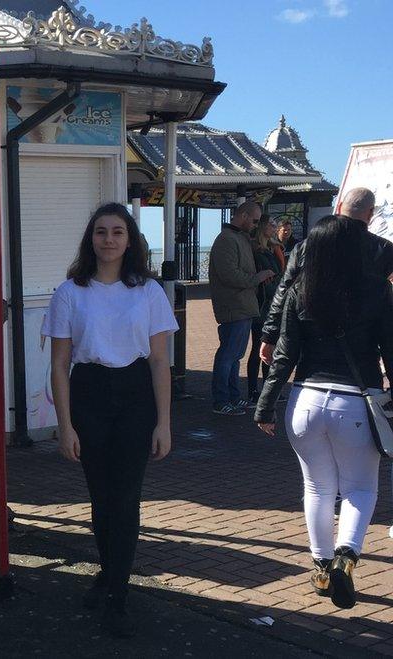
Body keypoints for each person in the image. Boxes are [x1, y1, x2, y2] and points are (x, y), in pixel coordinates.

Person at [44, 202, 177, 638]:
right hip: (90, 395)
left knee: (126, 499)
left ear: (130, 239)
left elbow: (160, 362)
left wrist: (164, 422)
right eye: (101, 231)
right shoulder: (70, 292)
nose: (109, 240)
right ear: (91, 238)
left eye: (117, 232)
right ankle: (108, 572)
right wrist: (64, 425)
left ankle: (117, 595)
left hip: (136, 395)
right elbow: (59, 365)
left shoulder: (149, 291)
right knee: (101, 499)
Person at [254, 215, 393, 609]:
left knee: (316, 488)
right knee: (360, 488)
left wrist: (264, 404)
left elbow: (284, 354)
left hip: (305, 401)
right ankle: (345, 558)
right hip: (356, 401)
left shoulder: (301, 287)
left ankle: (319, 565)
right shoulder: (376, 290)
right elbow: (390, 349)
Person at [261, 188, 393, 366]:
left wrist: (270, 334)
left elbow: (284, 290)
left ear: (338, 207)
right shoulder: (384, 249)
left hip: (314, 338)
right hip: (362, 345)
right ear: (370, 213)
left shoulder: (305, 246)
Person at [208, 201, 276, 415]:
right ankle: (221, 400)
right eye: (255, 221)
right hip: (233, 306)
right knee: (228, 355)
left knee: (234, 356)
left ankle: (233, 397)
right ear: (244, 216)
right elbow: (229, 275)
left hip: (242, 306)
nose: (256, 225)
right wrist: (257, 278)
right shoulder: (227, 240)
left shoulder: (239, 238)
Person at [245, 216, 283, 405]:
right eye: (271, 225)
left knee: (271, 347)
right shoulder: (257, 250)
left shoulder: (272, 248)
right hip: (263, 305)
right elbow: (267, 277)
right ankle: (253, 390)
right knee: (259, 348)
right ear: (262, 227)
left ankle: (268, 390)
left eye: (276, 225)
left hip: (272, 303)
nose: (275, 228)